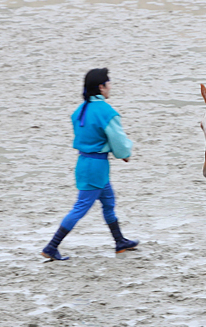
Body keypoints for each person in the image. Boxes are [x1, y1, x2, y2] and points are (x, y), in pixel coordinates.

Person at [41, 68, 138, 261]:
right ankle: (52, 246)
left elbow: (92, 136)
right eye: (108, 83)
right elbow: (117, 138)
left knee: (108, 201)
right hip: (96, 167)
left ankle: (119, 242)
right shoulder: (106, 112)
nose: (110, 86)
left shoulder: (80, 110)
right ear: (101, 87)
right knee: (80, 207)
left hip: (84, 163)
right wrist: (124, 154)